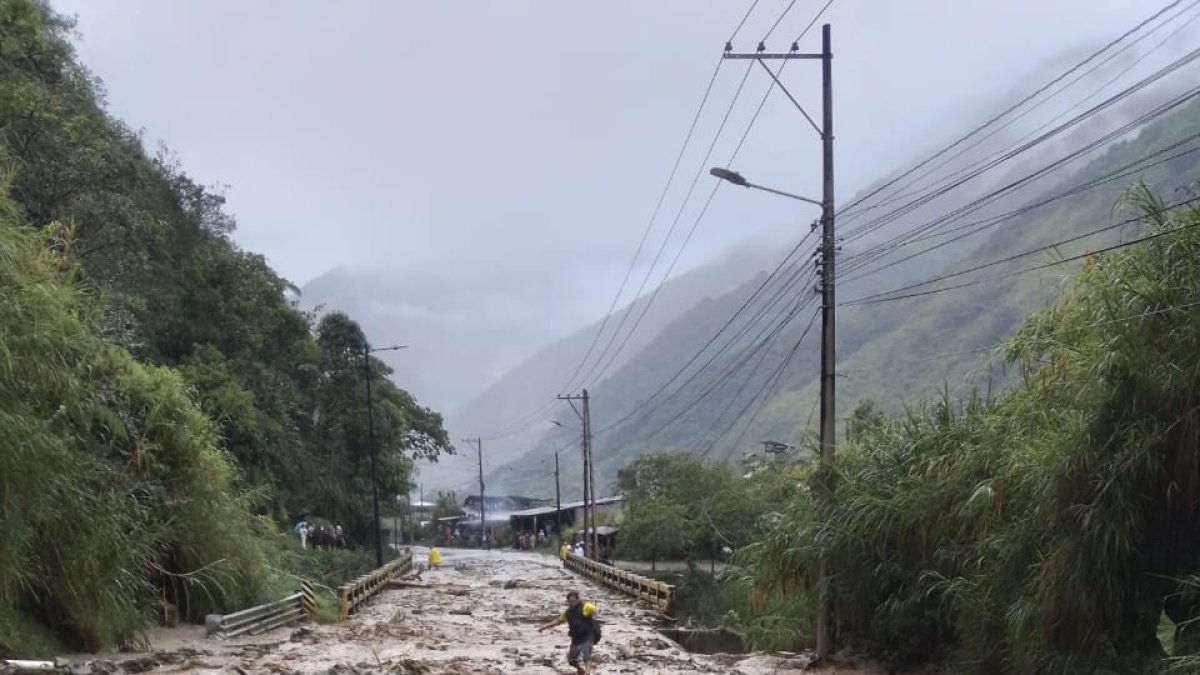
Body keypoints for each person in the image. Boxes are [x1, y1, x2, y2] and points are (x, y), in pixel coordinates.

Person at [538, 591, 598, 675]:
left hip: (587, 635)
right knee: (571, 661)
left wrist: (594, 611)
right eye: (570, 601)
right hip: (576, 638)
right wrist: (544, 627)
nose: (572, 603)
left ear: (578, 600)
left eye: (573, 601)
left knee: (586, 652)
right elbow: (558, 621)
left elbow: (594, 609)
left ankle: (587, 672)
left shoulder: (585, 606)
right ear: (567, 601)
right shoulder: (568, 612)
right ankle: (580, 670)